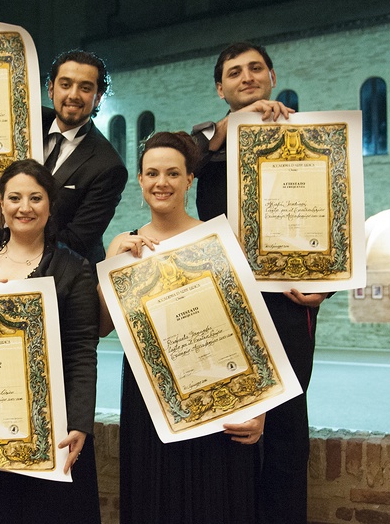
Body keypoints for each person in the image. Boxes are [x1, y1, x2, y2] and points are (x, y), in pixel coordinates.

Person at [191, 42, 328, 524]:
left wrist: (326, 288)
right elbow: (181, 158)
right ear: (220, 87)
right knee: (227, 423)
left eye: (255, 69)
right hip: (222, 301)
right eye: (234, 72)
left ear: (272, 76)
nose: (245, 77)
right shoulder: (206, 145)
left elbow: (337, 217)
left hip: (288, 303)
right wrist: (232, 127)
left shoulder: (311, 138)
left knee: (286, 428)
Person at [99, 132, 264, 524]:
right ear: (140, 180)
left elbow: (250, 330)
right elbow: (104, 328)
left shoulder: (219, 240)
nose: (162, 182)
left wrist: (261, 409)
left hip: (218, 391)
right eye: (152, 173)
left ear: (190, 179)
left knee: (216, 502)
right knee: (154, 500)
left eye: (173, 173)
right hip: (149, 396)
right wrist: (108, 264)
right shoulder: (126, 246)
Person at [0, 159, 101, 524]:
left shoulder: (73, 268)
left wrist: (79, 422)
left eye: (35, 198)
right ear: (2, 204)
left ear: (50, 205)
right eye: (14, 197)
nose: (24, 208)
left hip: (48, 426)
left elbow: (80, 350)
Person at [0, 14, 128, 265]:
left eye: (85, 87)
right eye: (65, 84)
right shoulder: (22, 120)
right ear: (50, 88)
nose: (73, 95)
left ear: (98, 97)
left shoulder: (108, 166)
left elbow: (77, 241)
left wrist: (9, 222)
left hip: (65, 277)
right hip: (2, 259)